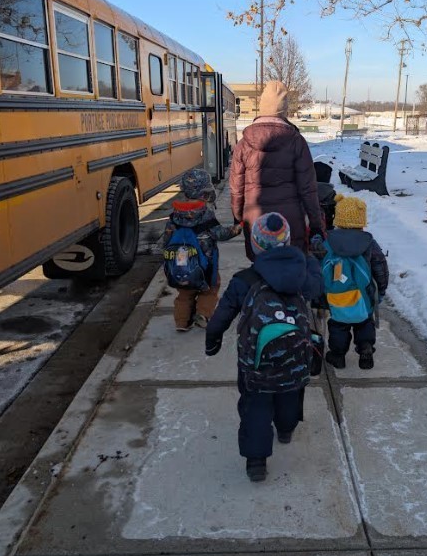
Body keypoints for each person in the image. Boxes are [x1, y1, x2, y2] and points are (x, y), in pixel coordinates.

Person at [205, 212, 323, 482]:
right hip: (294, 358)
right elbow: (318, 288)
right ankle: (286, 429)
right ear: (288, 241)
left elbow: (222, 315)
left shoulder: (244, 280)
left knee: (255, 405)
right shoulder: (302, 274)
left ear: (256, 245)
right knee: (290, 392)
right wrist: (311, 261)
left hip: (254, 363)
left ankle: (256, 462)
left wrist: (213, 340)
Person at [229, 80, 324, 260]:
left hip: (255, 220)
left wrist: (238, 217)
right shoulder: (297, 142)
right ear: (283, 110)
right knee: (291, 266)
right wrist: (316, 225)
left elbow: (236, 187)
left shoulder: (243, 144)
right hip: (289, 222)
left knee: (260, 268)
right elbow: (308, 188)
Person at [314, 195, 388, 370]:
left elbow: (317, 266)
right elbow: (380, 268)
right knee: (365, 321)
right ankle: (365, 348)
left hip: (336, 294)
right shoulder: (369, 243)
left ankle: (338, 356)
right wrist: (381, 290)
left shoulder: (328, 241)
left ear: (338, 219)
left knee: (338, 325)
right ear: (361, 221)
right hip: (364, 294)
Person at [162, 168, 242, 332]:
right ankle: (203, 315)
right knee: (210, 289)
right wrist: (236, 229)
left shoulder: (175, 215)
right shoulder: (205, 214)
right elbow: (220, 234)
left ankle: (181, 322)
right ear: (205, 192)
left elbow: (166, 240)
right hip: (205, 264)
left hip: (181, 264)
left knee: (184, 293)